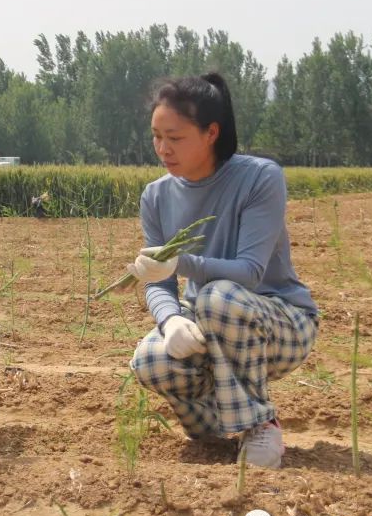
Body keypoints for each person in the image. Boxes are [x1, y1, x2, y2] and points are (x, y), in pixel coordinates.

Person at [128, 73, 318, 469]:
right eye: (156, 137)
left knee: (219, 296)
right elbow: (159, 283)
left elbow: (248, 272)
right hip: (210, 323)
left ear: (211, 132)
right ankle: (213, 429)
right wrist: (171, 320)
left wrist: (181, 262)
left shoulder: (260, 177)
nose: (163, 149)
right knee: (149, 358)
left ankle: (261, 424)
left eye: (175, 138)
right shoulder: (156, 196)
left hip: (277, 323)